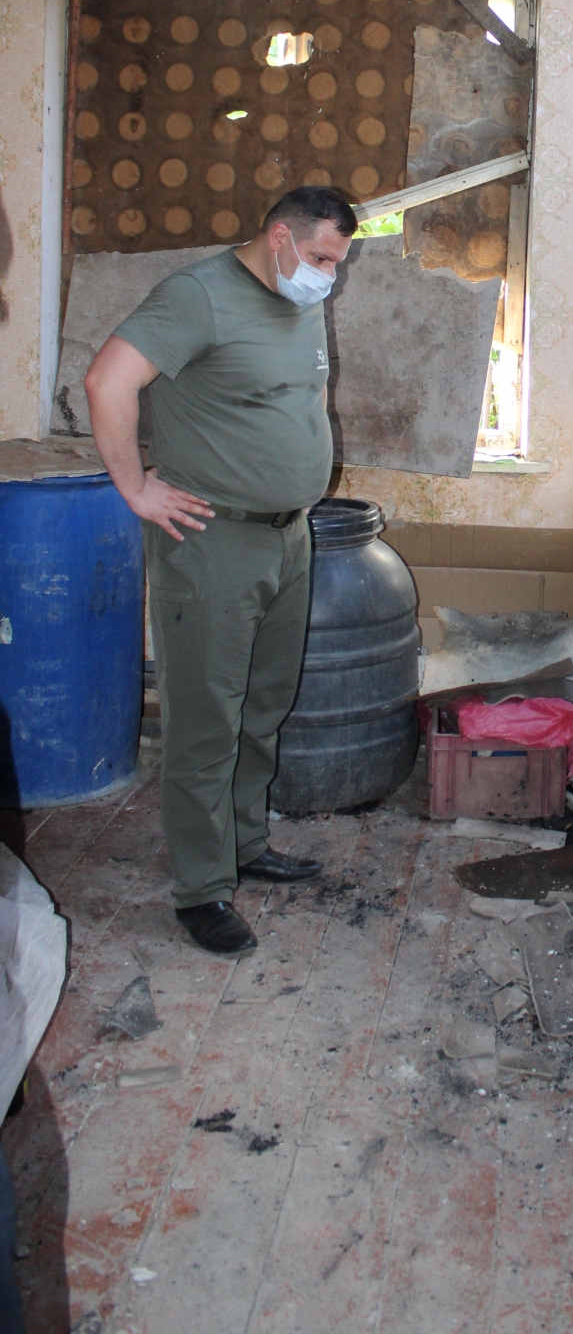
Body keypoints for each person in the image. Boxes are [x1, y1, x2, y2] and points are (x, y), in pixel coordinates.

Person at [85, 185, 358, 955]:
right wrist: (135, 488)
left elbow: (296, 397)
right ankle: (202, 890)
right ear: (279, 237)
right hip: (213, 541)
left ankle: (243, 844)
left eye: (339, 262)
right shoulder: (197, 296)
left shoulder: (300, 297)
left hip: (288, 536)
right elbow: (107, 381)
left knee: (262, 707)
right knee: (206, 720)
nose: (330, 275)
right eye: (321, 258)